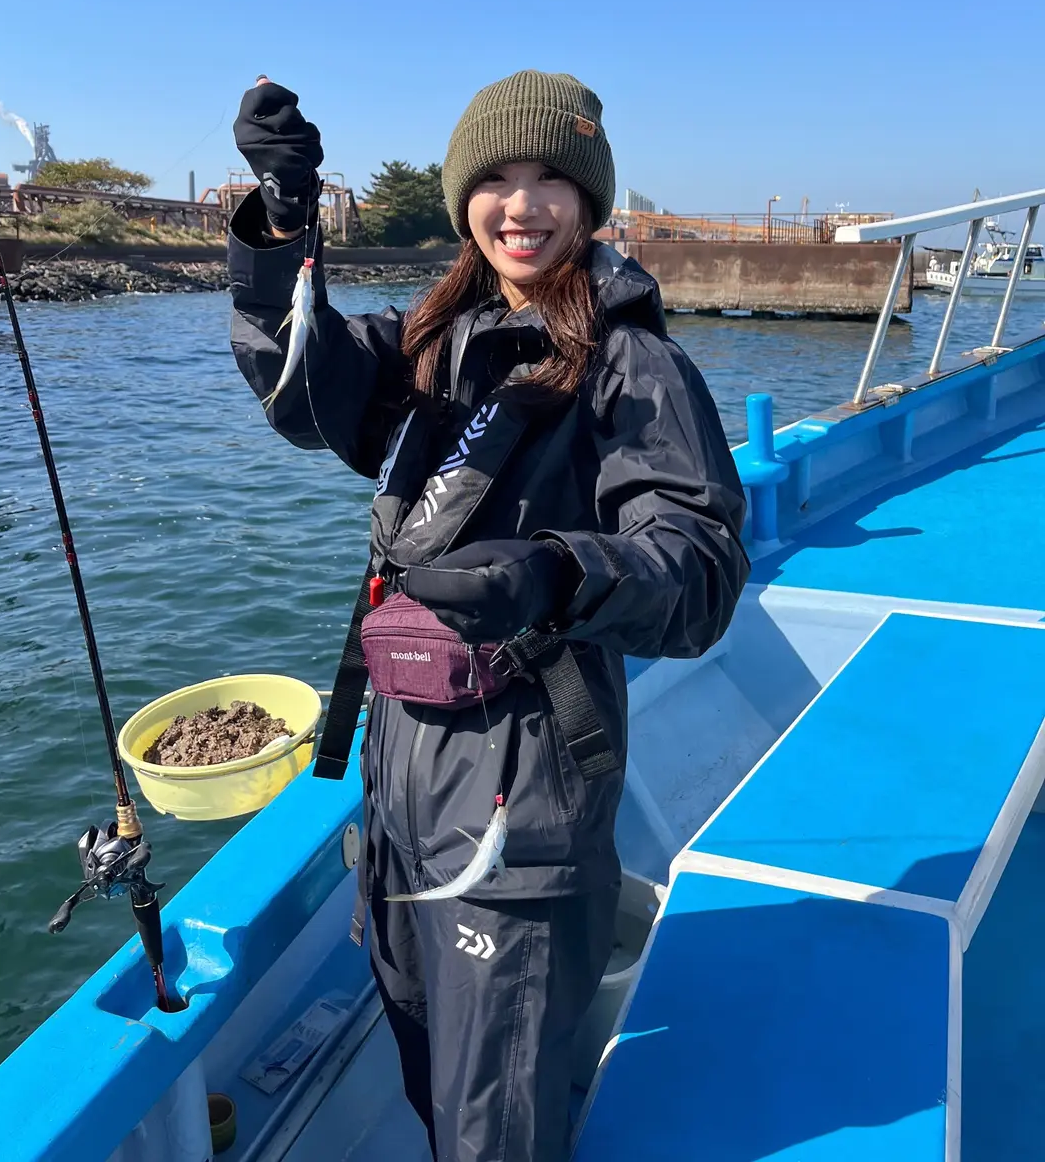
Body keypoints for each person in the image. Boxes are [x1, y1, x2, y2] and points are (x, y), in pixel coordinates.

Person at [228, 69, 749, 1162]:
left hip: (525, 811)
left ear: (591, 200)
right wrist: (280, 227)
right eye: (498, 178)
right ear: (465, 197)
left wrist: (559, 572)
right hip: (402, 787)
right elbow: (294, 383)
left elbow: (698, 569)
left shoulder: (633, 363)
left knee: (493, 1126)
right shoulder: (432, 340)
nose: (523, 204)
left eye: (553, 178)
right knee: (431, 1075)